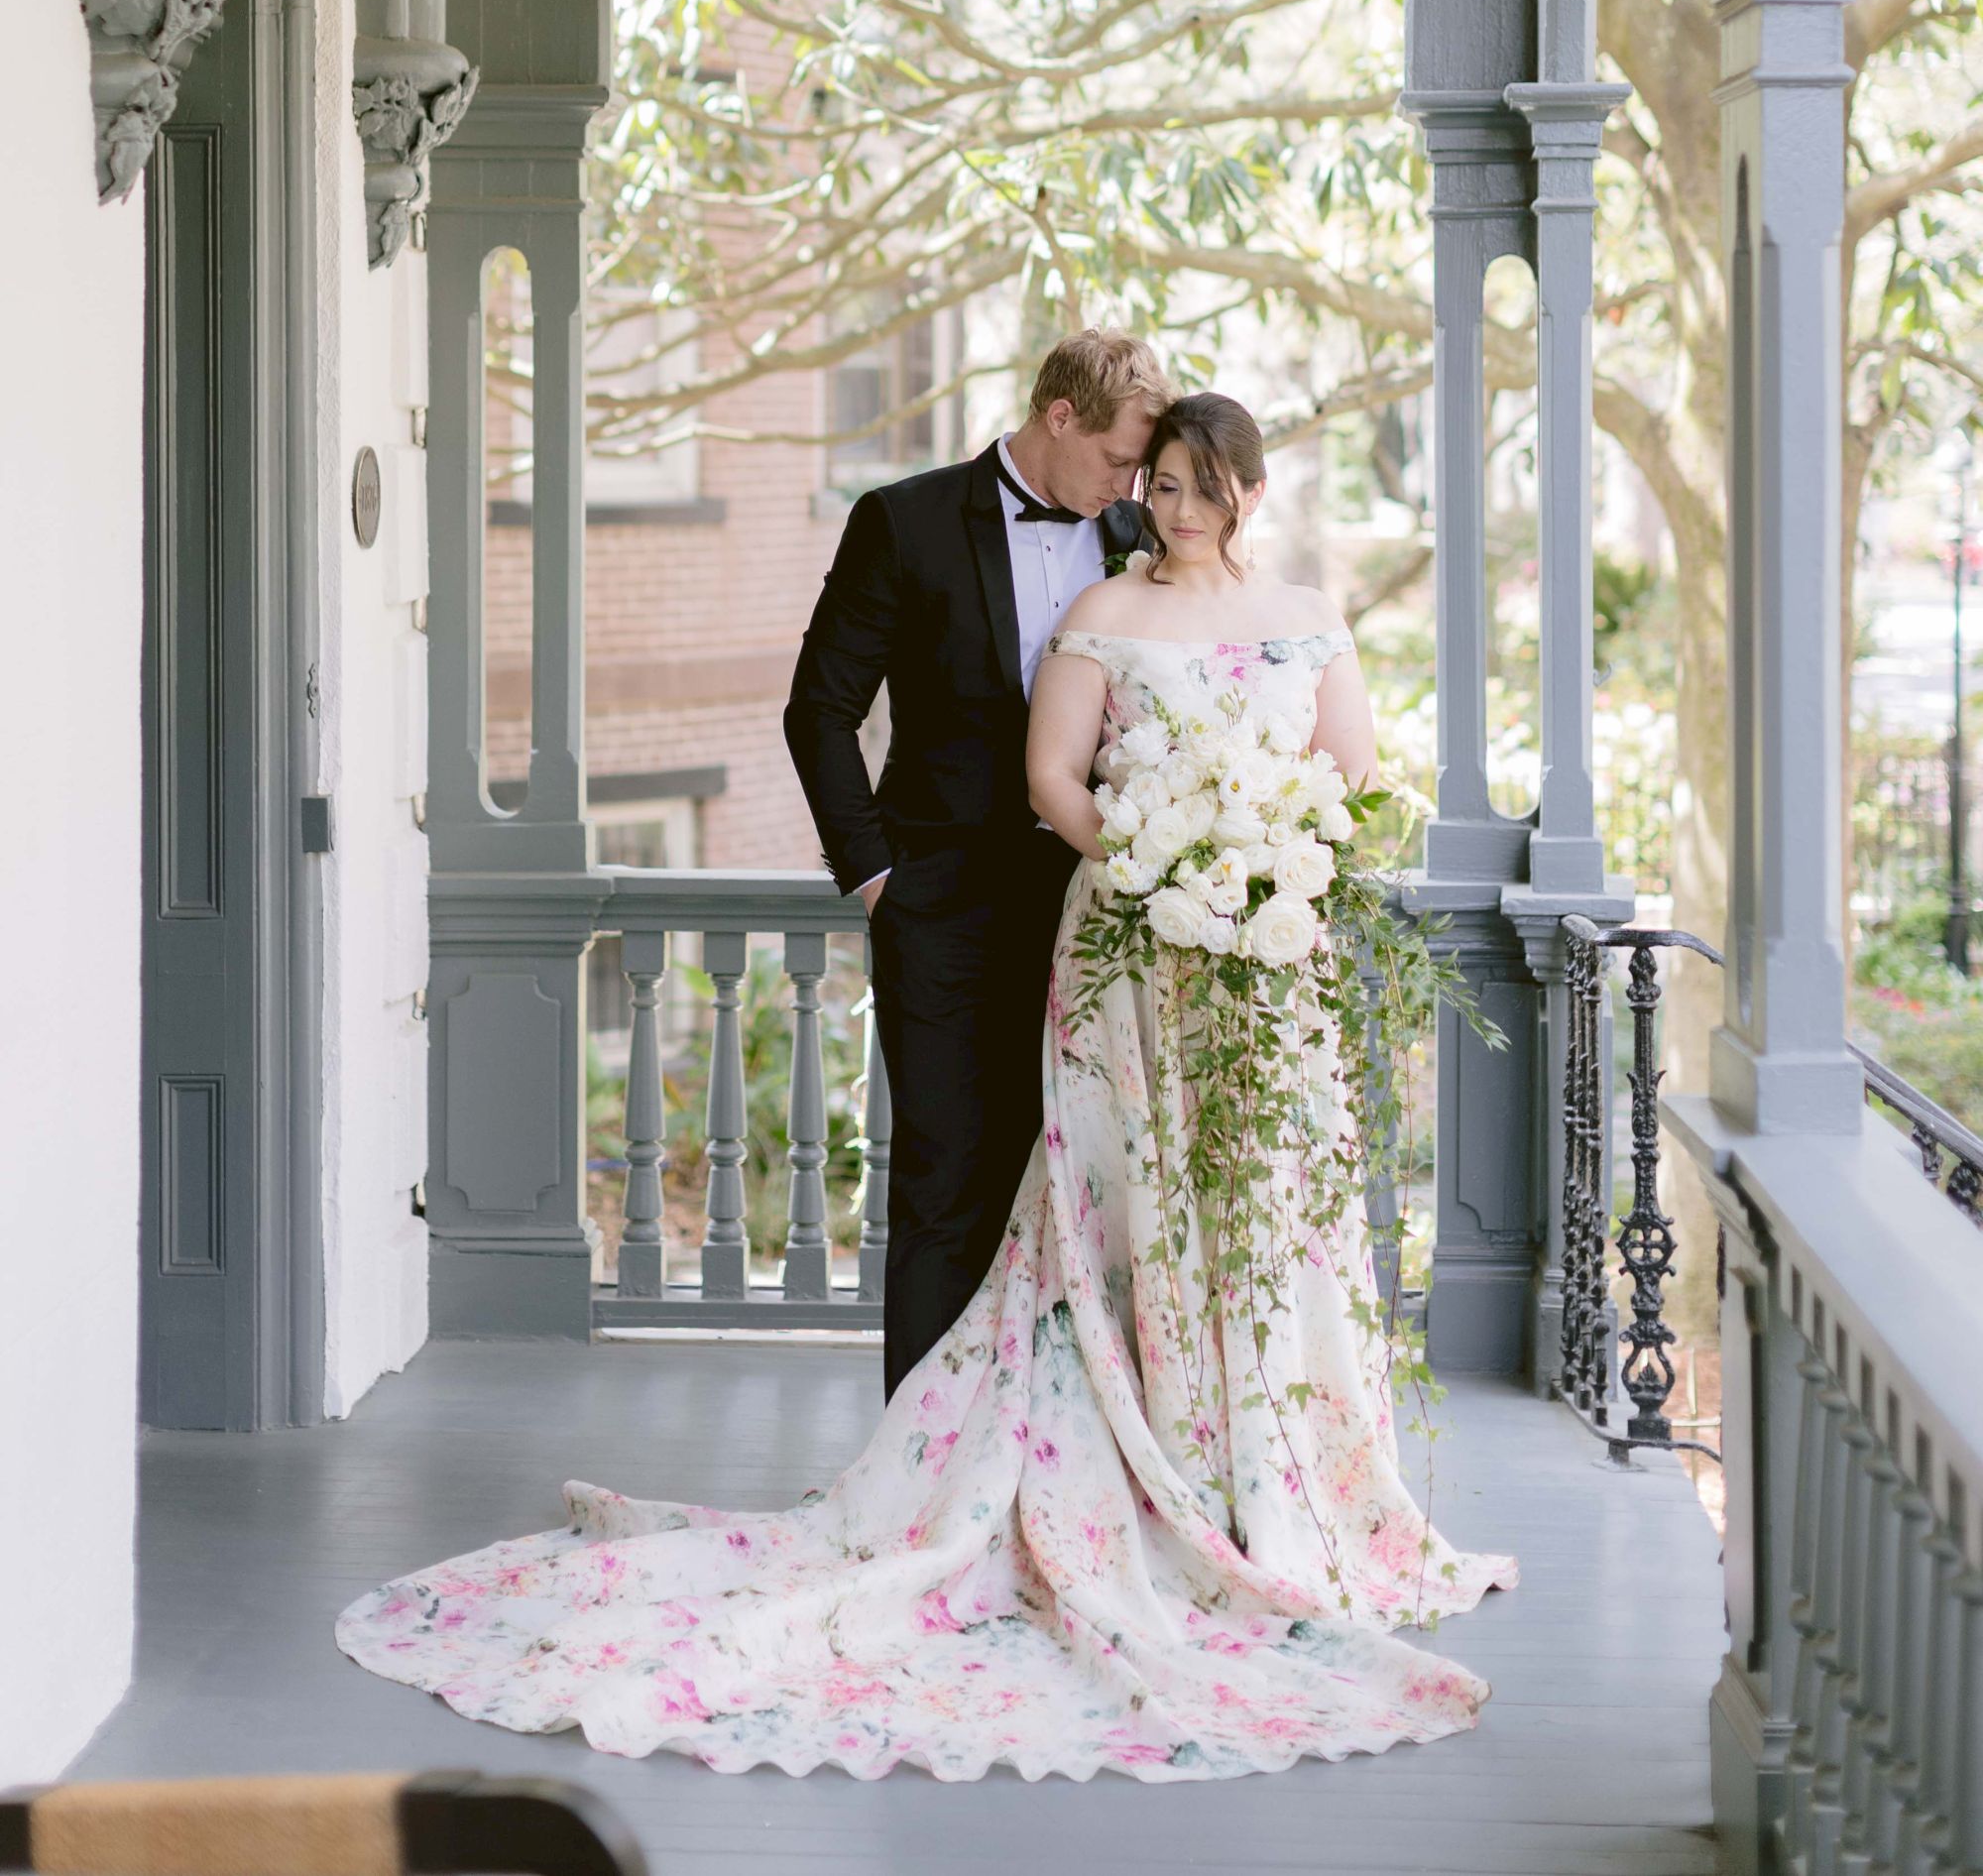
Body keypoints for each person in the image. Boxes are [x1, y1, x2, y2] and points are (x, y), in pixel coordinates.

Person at [336, 389, 1516, 1781]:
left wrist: (1266, 855)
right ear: (1072, 422)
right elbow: (1008, 760)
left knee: (1267, 1218)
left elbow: (1348, 771)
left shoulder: (1289, 602)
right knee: (1020, 1193)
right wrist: (1147, 859)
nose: (1164, 502)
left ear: (1250, 493)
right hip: (1104, 930)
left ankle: (1275, 1482)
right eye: (1154, 476)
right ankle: (951, 1480)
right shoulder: (1014, 567)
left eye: (1196, 484)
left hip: (1262, 956)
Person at [782, 326, 1171, 1395]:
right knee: (946, 1187)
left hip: (1102, 914)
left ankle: (1057, 1456)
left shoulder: (1138, 533)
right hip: (941, 910)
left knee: (1092, 1187)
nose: (1128, 484)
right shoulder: (901, 521)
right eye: (1113, 460)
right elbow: (819, 713)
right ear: (1057, 418)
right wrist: (877, 883)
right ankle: (920, 1465)